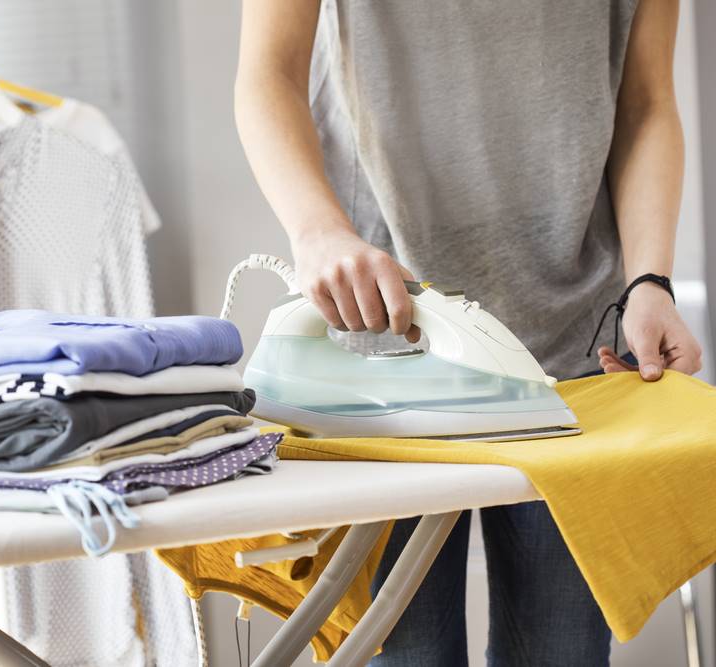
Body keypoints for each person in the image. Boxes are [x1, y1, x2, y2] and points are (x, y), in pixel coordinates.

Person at [235, 1, 703, 665]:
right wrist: (317, 233)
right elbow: (268, 73)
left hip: (579, 339)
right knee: (410, 651)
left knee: (561, 650)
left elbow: (648, 99)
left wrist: (649, 280)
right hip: (376, 334)